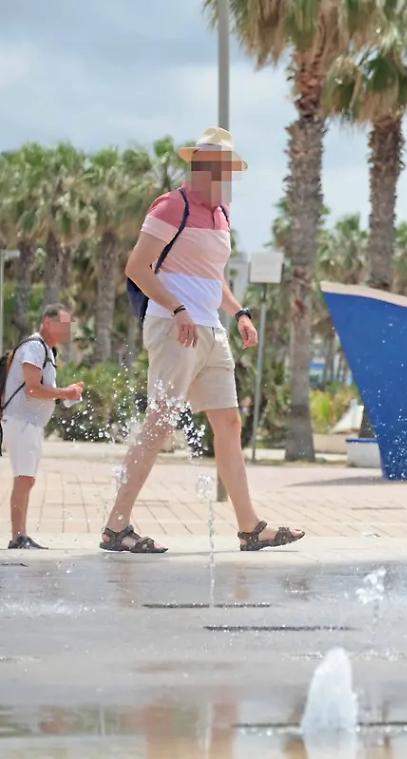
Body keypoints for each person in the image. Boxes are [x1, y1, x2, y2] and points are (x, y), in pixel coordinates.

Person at [101, 127, 304, 553]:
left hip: (211, 329)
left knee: (229, 423)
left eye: (228, 169)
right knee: (161, 421)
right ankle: (116, 527)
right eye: (217, 168)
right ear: (200, 166)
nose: (224, 176)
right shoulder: (172, 206)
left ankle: (250, 528)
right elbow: (137, 267)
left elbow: (213, 277)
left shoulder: (222, 213)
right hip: (173, 327)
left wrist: (240, 313)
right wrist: (177, 308)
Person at [1, 304, 84, 549]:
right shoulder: (35, 347)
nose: (68, 330)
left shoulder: (46, 350)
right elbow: (33, 389)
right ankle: (18, 537)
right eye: (64, 325)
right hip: (22, 422)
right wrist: (65, 392)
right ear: (48, 323)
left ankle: (20, 535)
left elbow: (42, 390)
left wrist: (67, 395)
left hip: (30, 424)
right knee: (24, 478)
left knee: (26, 479)